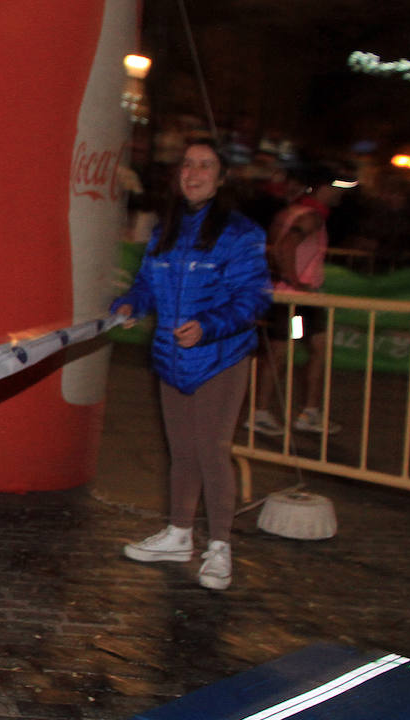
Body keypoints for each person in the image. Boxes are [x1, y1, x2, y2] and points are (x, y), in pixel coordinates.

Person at [113, 138, 270, 591]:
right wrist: (129, 305)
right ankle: (179, 534)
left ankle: (220, 547)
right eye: (187, 165)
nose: (193, 173)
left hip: (220, 358)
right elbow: (147, 283)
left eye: (204, 166)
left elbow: (253, 298)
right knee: (181, 452)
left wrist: (208, 325)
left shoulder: (241, 232)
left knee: (211, 451)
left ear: (221, 178)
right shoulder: (167, 228)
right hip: (170, 358)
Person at [249, 169, 346, 437]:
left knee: (305, 349)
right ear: (320, 188)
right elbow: (284, 247)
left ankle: (298, 411)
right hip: (296, 301)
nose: (339, 193)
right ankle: (278, 411)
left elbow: (273, 247)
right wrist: (294, 281)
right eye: (335, 187)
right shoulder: (311, 218)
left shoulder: (288, 213)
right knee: (290, 353)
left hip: (289, 298)